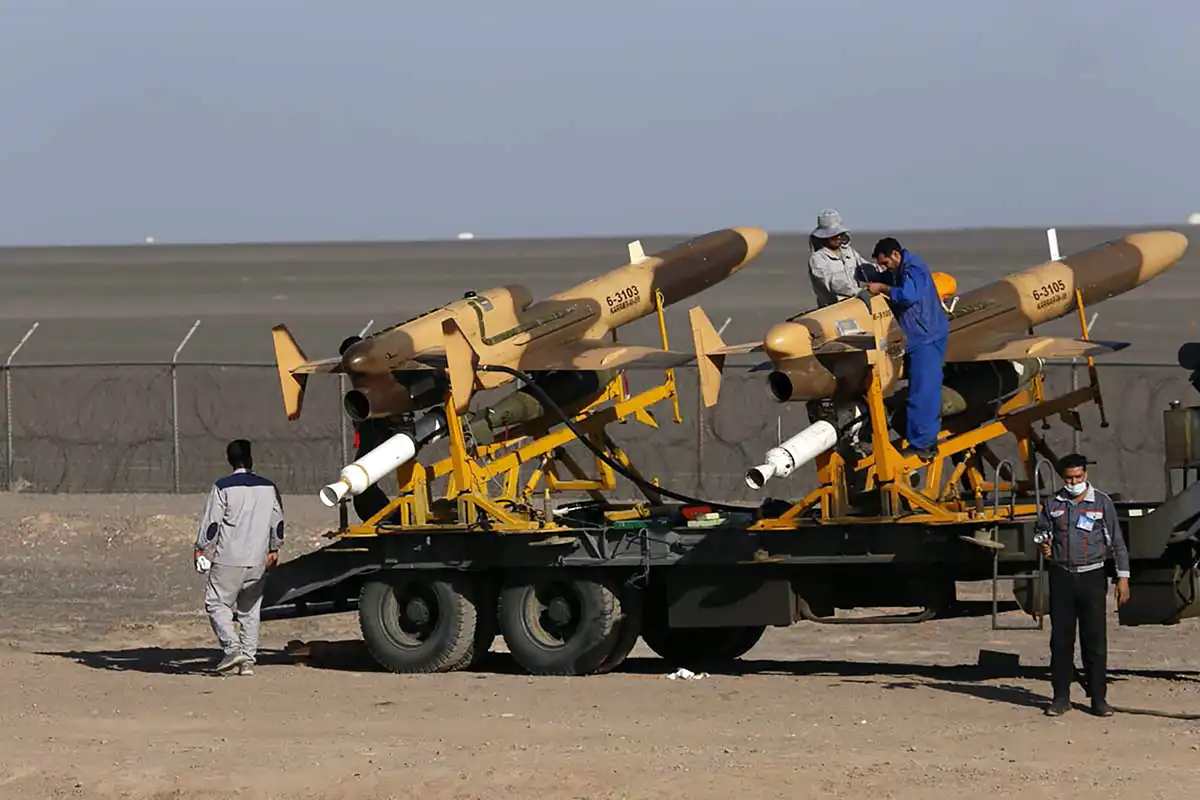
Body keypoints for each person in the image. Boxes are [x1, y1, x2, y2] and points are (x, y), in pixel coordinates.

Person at [1035, 453, 1131, 717]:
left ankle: (1098, 699)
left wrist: (1123, 577)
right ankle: (1060, 697)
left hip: (1092, 576)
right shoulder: (1053, 502)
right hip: (1062, 576)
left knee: (1094, 639)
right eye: (1068, 478)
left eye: (1078, 477)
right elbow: (1040, 529)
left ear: (1085, 475)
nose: (1073, 482)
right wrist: (1043, 542)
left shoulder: (1101, 503)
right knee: (1061, 640)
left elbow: (1117, 543)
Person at [193, 439, 284, 676]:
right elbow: (278, 521)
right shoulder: (268, 487)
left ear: (229, 460)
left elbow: (212, 524)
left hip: (229, 558)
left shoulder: (223, 487)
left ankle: (232, 648)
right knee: (250, 610)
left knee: (216, 603)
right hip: (258, 559)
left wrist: (200, 547)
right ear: (250, 458)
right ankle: (248, 662)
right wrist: (275, 548)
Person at [866, 237, 950, 459]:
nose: (885, 268)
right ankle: (923, 440)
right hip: (919, 337)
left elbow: (908, 295)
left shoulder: (914, 269)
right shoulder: (901, 268)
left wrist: (882, 288)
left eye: (886, 263)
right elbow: (892, 278)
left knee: (923, 393)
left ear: (895, 255)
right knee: (921, 389)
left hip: (926, 338)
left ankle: (923, 444)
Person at [807, 209, 886, 307]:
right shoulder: (817, 259)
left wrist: (885, 271)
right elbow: (830, 282)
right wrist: (858, 292)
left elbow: (864, 266)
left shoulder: (849, 252)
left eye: (839, 234)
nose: (838, 238)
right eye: (833, 236)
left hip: (855, 304)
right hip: (833, 308)